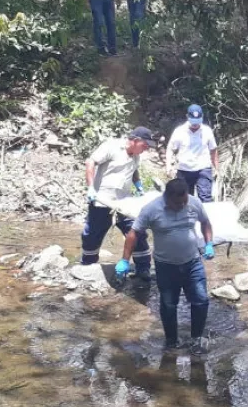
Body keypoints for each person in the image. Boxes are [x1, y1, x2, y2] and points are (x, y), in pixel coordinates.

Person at [121, 178, 215, 353]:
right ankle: (171, 342)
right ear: (167, 197)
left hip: (193, 262)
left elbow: (205, 222)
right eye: (177, 202)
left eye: (184, 201)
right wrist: (125, 260)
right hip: (166, 266)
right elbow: (133, 233)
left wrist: (209, 243)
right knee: (169, 304)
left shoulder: (193, 203)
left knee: (201, 300)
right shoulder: (152, 209)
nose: (181, 205)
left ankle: (197, 339)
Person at [81, 127, 157, 283]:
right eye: (145, 144)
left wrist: (138, 185)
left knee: (137, 232)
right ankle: (88, 265)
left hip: (124, 202)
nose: (146, 148)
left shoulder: (136, 155)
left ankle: (143, 268)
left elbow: (134, 170)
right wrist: (90, 188)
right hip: (102, 200)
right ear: (135, 140)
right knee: (92, 234)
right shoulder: (112, 146)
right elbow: (91, 162)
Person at [165, 104, 218, 203]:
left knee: (205, 198)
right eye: (193, 122)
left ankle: (207, 218)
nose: (195, 125)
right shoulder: (179, 131)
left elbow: (213, 149)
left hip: (203, 168)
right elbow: (170, 149)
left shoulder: (207, 131)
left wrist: (216, 167)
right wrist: (168, 166)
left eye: (197, 122)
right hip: (184, 169)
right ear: (187, 117)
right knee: (184, 200)